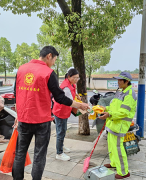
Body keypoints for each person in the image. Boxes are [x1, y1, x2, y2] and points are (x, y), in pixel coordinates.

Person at [12, 46, 89, 180]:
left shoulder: (21, 69)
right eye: (54, 59)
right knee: (39, 155)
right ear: (49, 56)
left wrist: (18, 115)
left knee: (20, 153)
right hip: (41, 121)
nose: (54, 62)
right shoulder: (48, 72)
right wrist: (80, 105)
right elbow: (59, 97)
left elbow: (16, 94)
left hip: (23, 120)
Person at [99, 72, 137, 179]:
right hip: (113, 123)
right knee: (111, 146)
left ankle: (124, 172)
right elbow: (113, 106)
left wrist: (109, 114)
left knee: (118, 149)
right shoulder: (120, 92)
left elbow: (123, 112)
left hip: (120, 125)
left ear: (127, 81)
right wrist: (105, 109)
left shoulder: (129, 94)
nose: (118, 82)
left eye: (120, 80)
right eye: (118, 80)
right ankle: (114, 164)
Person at [52, 68, 81, 161]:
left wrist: (77, 95)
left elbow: (74, 91)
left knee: (62, 130)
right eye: (75, 78)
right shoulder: (65, 87)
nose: (76, 80)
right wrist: (82, 106)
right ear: (69, 76)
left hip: (64, 111)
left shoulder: (71, 83)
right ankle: (59, 153)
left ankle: (61, 146)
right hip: (60, 111)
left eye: (78, 78)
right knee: (61, 132)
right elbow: (70, 101)